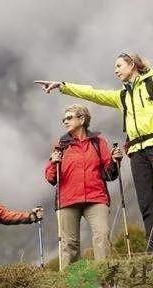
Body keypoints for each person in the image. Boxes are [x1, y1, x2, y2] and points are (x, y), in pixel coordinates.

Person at [35, 52, 153, 251]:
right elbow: (94, 94)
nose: (116, 70)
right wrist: (62, 86)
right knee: (146, 200)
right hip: (137, 151)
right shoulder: (123, 95)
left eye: (119, 66)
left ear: (132, 65)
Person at [45, 104, 122, 269]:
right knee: (69, 244)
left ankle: (104, 278)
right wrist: (53, 163)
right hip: (68, 200)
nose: (65, 121)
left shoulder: (98, 142)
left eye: (69, 117)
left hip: (96, 197)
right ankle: (70, 285)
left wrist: (116, 161)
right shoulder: (61, 144)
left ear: (82, 119)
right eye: (64, 118)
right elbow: (51, 178)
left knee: (102, 235)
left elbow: (110, 174)